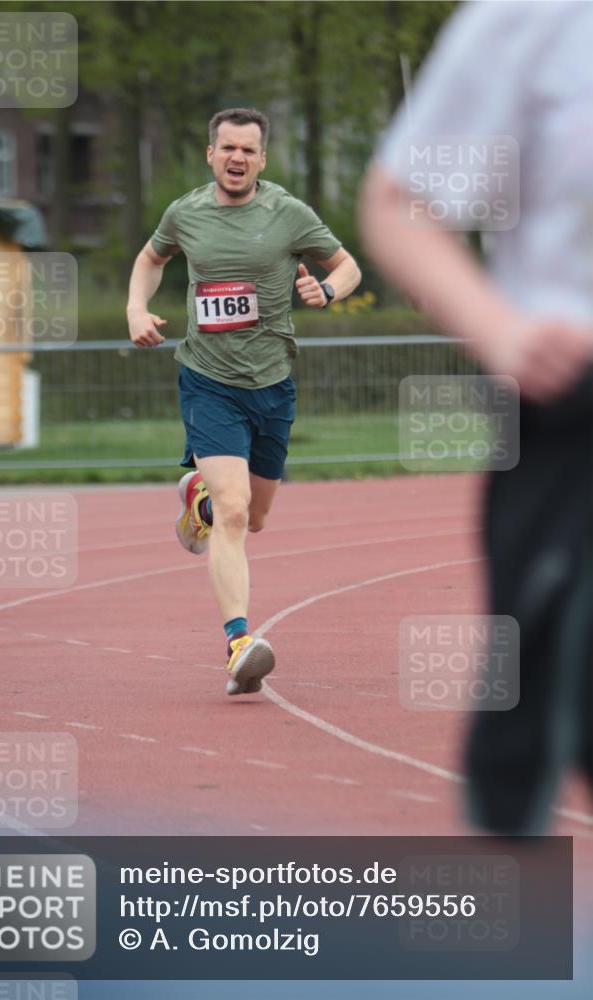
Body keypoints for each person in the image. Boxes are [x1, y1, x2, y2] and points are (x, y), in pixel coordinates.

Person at [361, 1, 593, 834]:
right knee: (532, 731)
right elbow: (401, 201)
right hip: (570, 412)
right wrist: (504, 334)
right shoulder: (530, 21)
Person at [127, 107, 361, 696]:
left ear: (262, 158)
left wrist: (327, 288)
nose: (237, 158)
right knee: (236, 510)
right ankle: (238, 644)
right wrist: (136, 307)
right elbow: (151, 259)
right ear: (211, 155)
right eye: (227, 148)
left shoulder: (289, 214)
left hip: (273, 385)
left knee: (252, 518)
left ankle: (197, 502)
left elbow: (348, 264)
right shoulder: (185, 213)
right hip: (207, 380)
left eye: (248, 150)